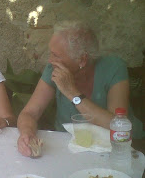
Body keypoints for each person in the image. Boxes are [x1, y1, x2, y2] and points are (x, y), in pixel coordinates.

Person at [17, 20, 144, 157]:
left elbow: (116, 126)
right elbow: (29, 113)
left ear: (82, 59)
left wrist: (72, 93)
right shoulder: (53, 69)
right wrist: (27, 132)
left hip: (119, 148)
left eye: (56, 55)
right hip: (69, 147)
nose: (50, 60)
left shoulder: (114, 68)